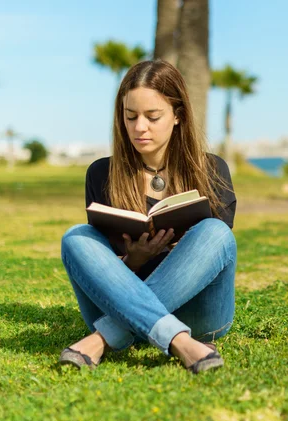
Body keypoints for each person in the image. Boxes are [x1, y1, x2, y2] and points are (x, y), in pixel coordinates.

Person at [59, 60, 237, 374]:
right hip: (121, 304)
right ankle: (181, 343)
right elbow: (103, 271)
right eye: (131, 117)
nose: (140, 127)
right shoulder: (102, 173)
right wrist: (135, 260)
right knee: (76, 237)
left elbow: (215, 255)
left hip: (199, 316)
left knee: (215, 232)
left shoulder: (212, 169)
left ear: (178, 115)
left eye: (152, 117)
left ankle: (104, 338)